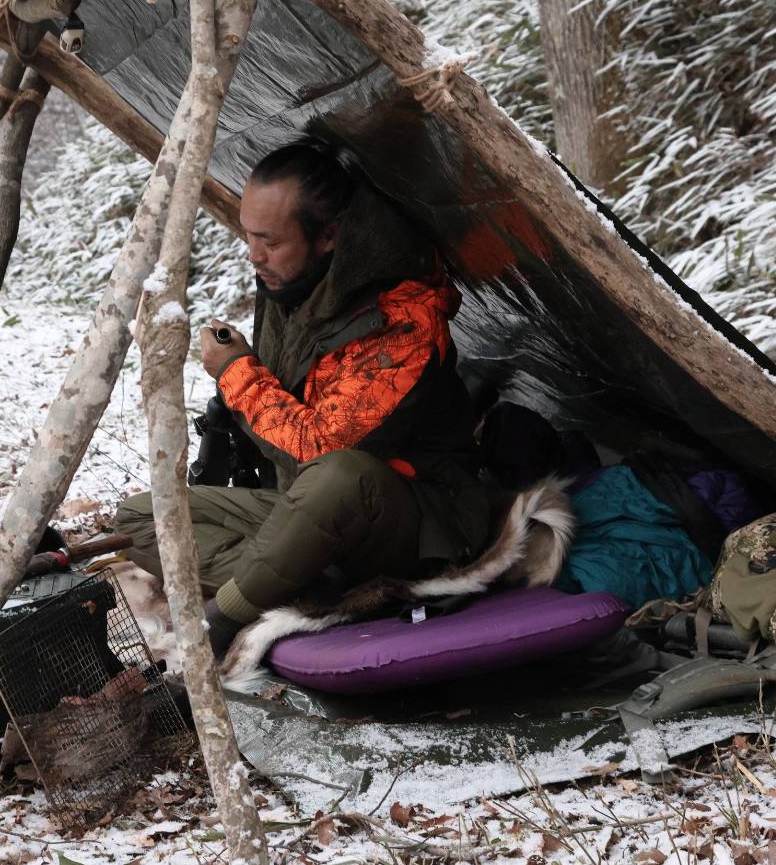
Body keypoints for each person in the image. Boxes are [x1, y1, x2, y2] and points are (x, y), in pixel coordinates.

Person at [114, 139, 493, 657]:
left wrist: (238, 374)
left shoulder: (404, 320)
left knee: (339, 473)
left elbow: (319, 446)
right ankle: (313, 590)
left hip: (412, 521)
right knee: (141, 519)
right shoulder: (293, 289)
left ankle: (223, 617)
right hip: (308, 517)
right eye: (249, 236)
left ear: (330, 236)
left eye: (270, 241)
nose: (254, 255)